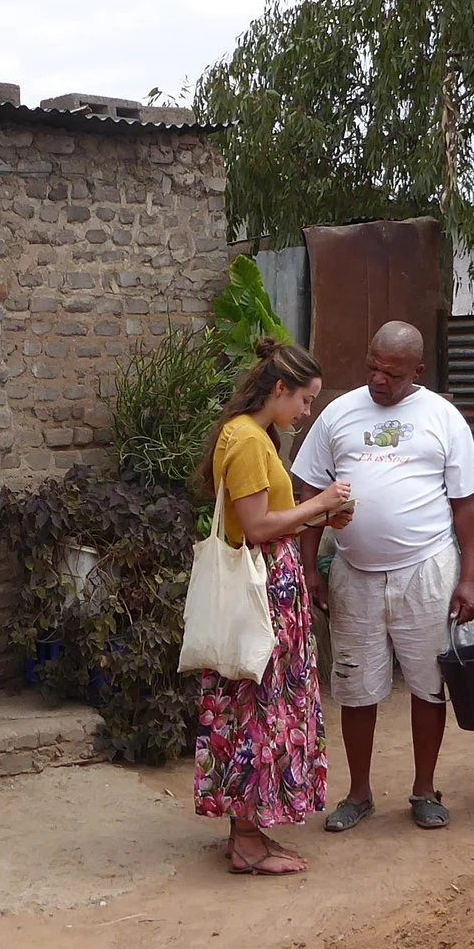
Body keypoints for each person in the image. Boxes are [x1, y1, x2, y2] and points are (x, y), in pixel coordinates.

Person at [292, 320, 474, 832]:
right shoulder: (338, 413)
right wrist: (310, 567)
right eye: (372, 367)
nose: (379, 380)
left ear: (418, 372)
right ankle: (358, 794)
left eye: (392, 373)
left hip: (427, 569)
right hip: (354, 573)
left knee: (428, 683)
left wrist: (468, 579)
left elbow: (467, 504)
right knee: (355, 687)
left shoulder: (443, 417)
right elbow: (309, 493)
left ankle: (424, 790)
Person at [191, 340, 353, 876]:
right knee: (255, 706)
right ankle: (245, 839)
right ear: (279, 390)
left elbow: (268, 517)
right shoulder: (247, 442)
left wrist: (318, 519)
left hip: (268, 587)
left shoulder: (254, 436)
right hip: (261, 591)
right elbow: (257, 527)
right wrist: (321, 504)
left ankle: (250, 830)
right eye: (304, 401)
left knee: (257, 703)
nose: (306, 413)